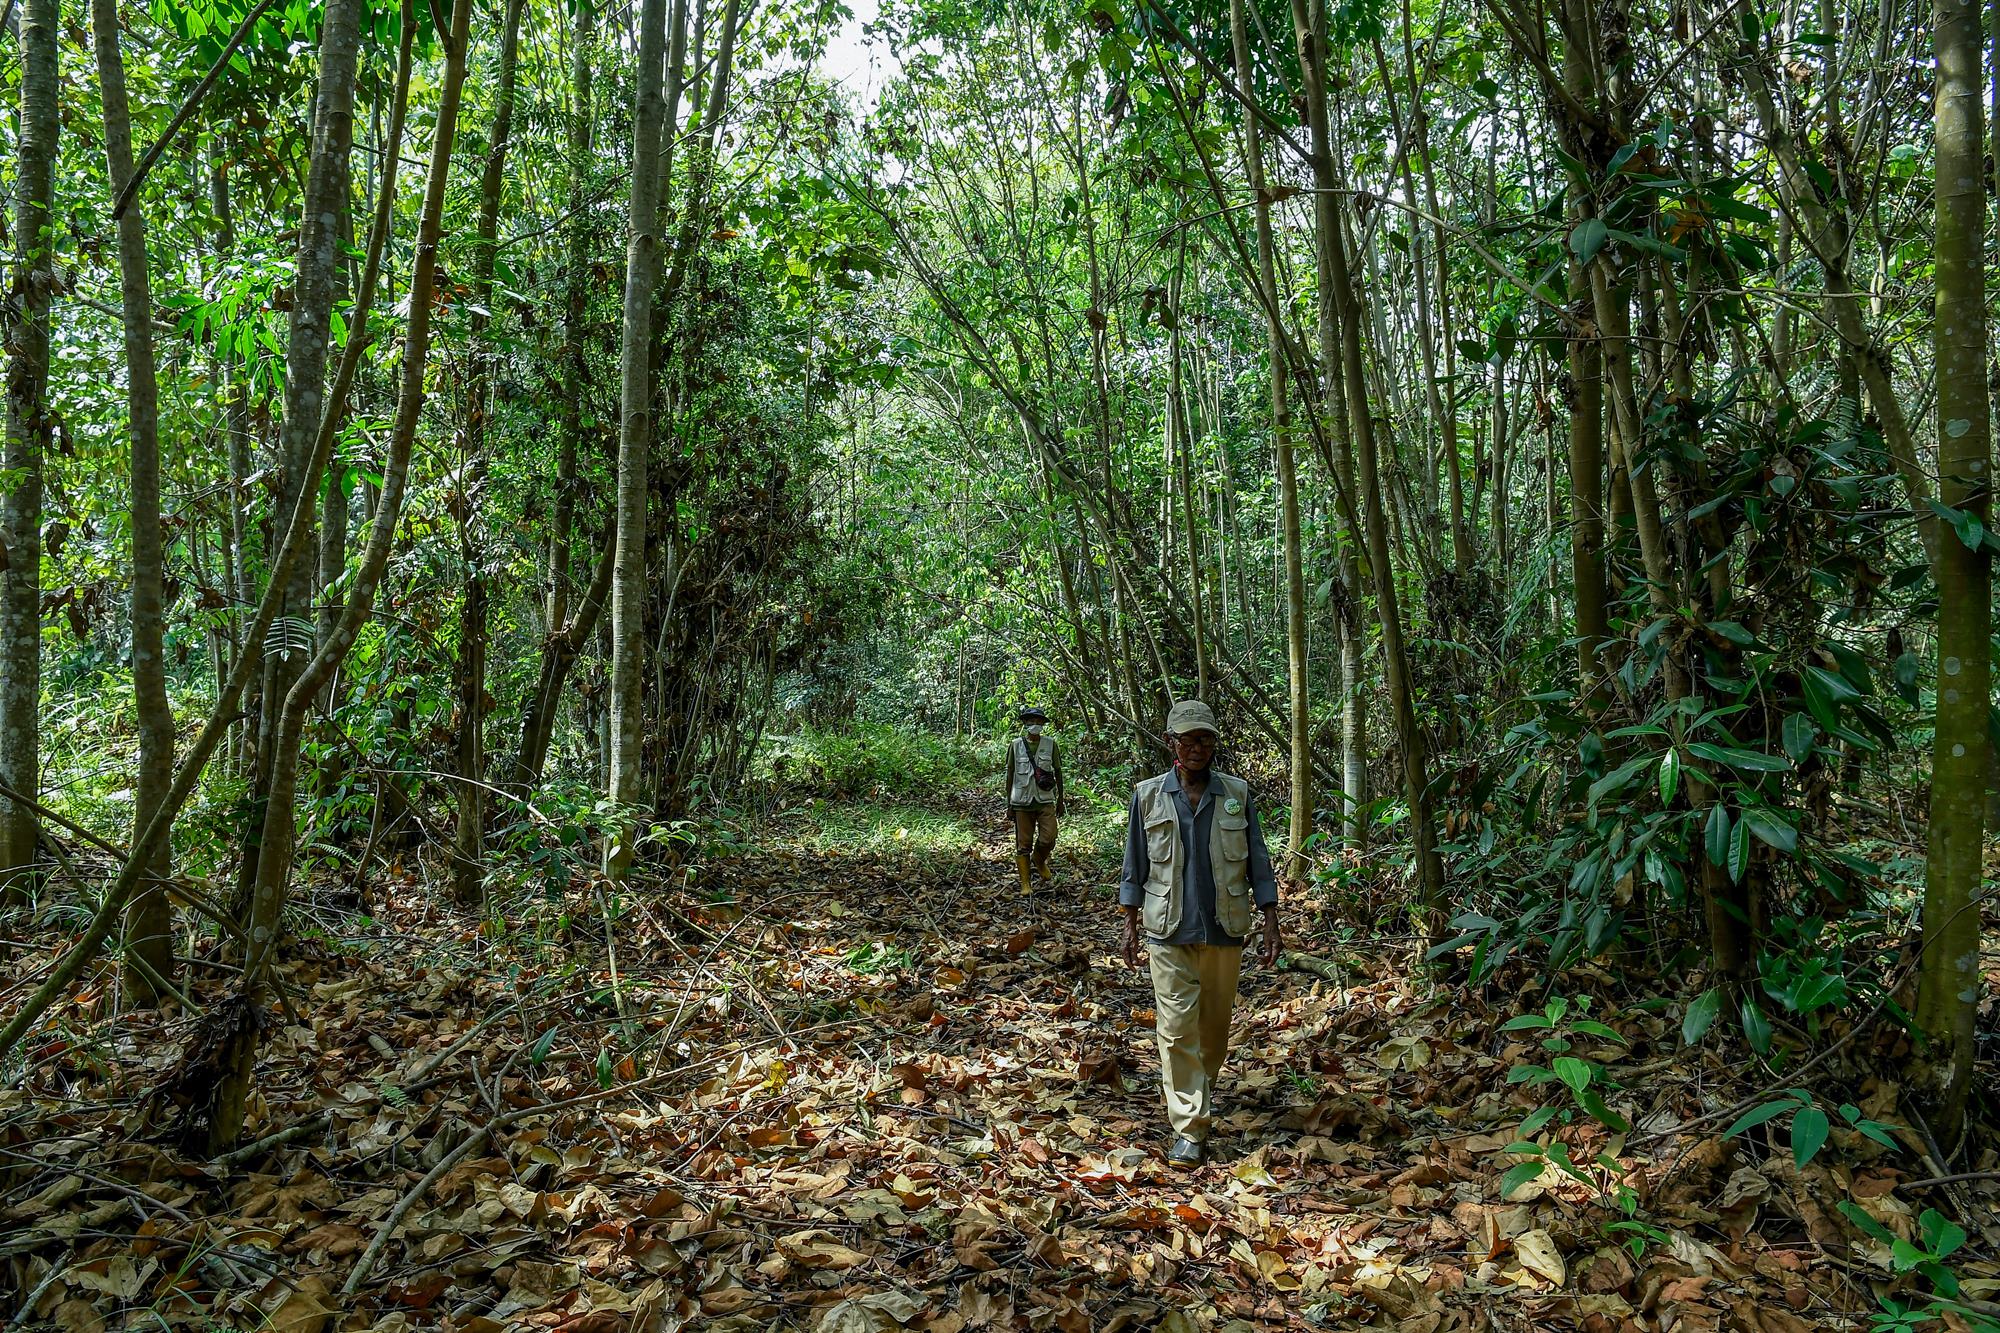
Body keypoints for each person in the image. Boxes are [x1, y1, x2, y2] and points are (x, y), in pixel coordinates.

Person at [1118, 699, 1281, 1167]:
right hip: (1166, 931)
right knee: (1175, 1029)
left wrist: (1270, 917)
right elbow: (1135, 863)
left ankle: (1197, 1089)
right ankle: (1190, 1127)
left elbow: (1258, 860)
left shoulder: (1236, 793)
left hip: (1224, 929)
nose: (1197, 748)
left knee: (1213, 1032)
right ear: (1171, 744)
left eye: (1205, 739)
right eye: (1187, 740)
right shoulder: (1148, 795)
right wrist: (1129, 925)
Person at [1005, 707, 1066, 895]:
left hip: (1045, 799)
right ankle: (1025, 884)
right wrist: (1009, 804)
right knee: (1023, 844)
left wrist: (1061, 798)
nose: (1035, 726)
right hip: (1022, 801)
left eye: (1039, 722)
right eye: (1031, 722)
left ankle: (1038, 860)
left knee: (1050, 837)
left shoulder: (1050, 744)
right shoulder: (1015, 745)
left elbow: (1057, 771)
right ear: (1025, 724)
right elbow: (1010, 774)